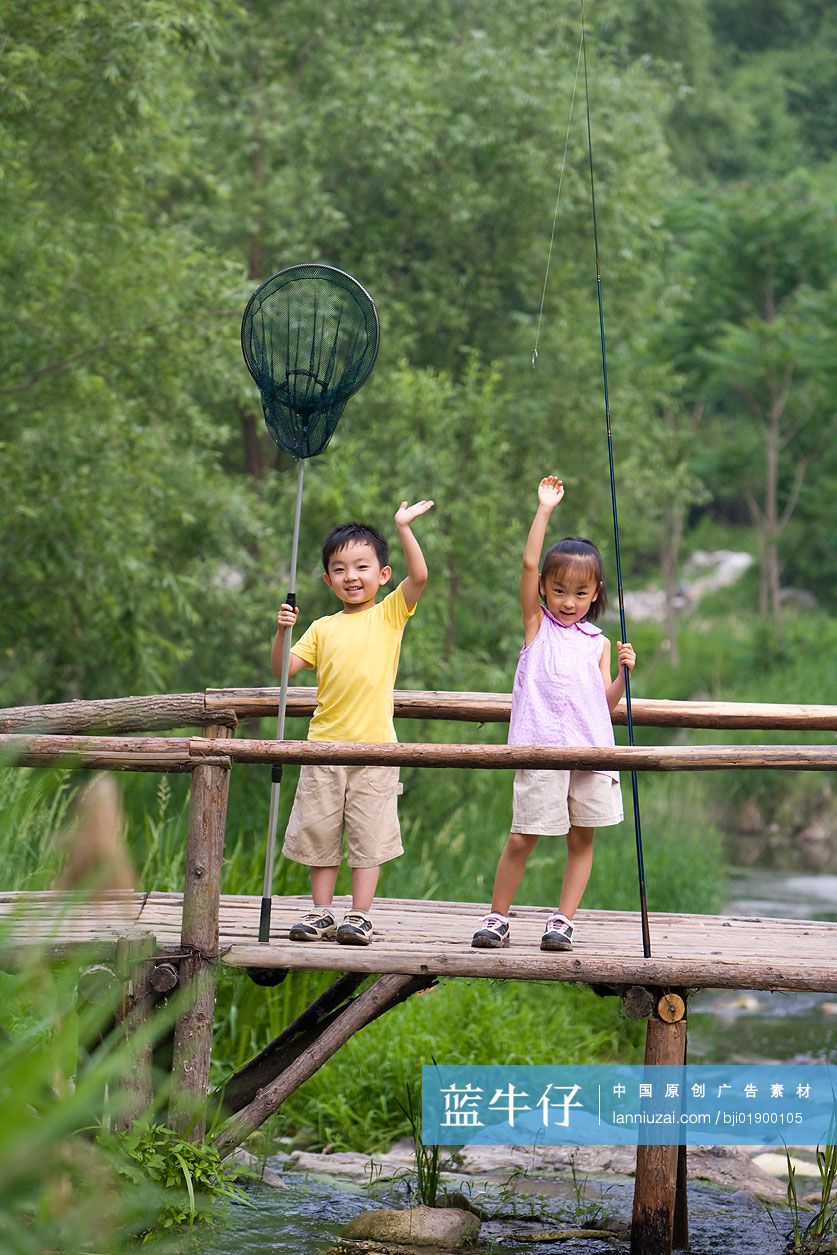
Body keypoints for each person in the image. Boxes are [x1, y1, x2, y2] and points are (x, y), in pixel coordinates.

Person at [472, 475, 636, 953]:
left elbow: (604, 707)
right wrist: (543, 509)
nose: (568, 602)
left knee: (582, 839)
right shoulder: (535, 625)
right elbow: (526, 562)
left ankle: (563, 920)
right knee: (523, 837)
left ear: (595, 593)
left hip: (590, 752)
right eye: (559, 589)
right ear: (544, 586)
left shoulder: (599, 643)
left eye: (580, 594)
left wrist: (624, 676)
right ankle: (497, 917)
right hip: (540, 749)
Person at [272, 499, 434, 946]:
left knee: (368, 837)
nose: (351, 577)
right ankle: (321, 912)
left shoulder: (389, 614)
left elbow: (419, 577)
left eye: (362, 567)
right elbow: (284, 671)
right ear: (328, 579)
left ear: (382, 575)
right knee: (320, 834)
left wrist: (402, 526)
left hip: (376, 747)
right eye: (340, 569)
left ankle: (359, 915)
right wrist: (283, 629)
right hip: (323, 745)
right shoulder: (323, 627)